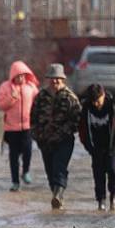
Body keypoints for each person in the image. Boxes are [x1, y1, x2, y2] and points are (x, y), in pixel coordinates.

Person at [30, 63, 81, 210]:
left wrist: (64, 131)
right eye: (52, 79)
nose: (55, 82)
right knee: (50, 170)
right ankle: (56, 195)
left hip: (64, 140)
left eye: (58, 79)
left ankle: (58, 195)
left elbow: (77, 120)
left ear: (63, 79)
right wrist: (36, 134)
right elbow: (33, 117)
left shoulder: (70, 97)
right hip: (45, 140)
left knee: (60, 167)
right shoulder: (41, 96)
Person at [79, 83, 115, 212]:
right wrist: (87, 145)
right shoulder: (87, 107)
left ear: (103, 95)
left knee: (112, 170)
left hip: (112, 146)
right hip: (95, 147)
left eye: (98, 100)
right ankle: (100, 201)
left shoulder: (113, 106)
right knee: (98, 174)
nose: (96, 104)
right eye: (93, 101)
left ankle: (113, 198)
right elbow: (82, 128)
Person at [0, 60, 39, 191]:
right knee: (13, 156)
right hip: (11, 128)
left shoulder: (31, 87)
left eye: (23, 75)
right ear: (13, 76)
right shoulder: (5, 87)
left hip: (27, 127)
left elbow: (38, 102)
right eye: (18, 75)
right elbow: (0, 104)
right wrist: (11, 98)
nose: (21, 78)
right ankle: (15, 182)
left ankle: (25, 171)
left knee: (28, 151)